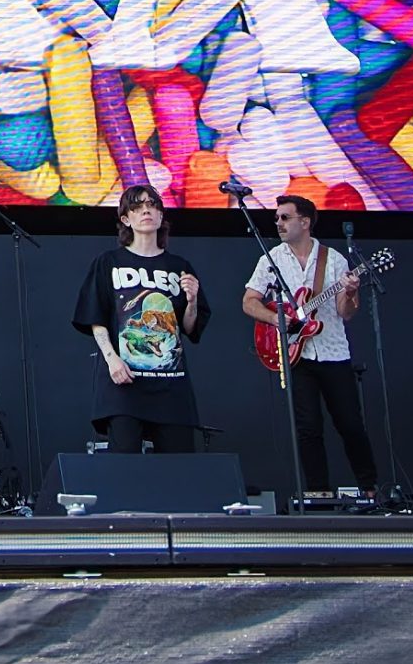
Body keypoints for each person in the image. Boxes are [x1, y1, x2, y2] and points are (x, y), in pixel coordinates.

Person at [241, 192, 379, 502]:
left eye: (285, 217)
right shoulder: (271, 259)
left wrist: (350, 292)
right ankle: (318, 493)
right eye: (276, 218)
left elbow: (346, 313)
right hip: (296, 354)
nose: (278, 222)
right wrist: (276, 319)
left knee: (350, 423)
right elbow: (249, 302)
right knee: (308, 427)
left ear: (305, 222)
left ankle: (369, 487)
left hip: (333, 352)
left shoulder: (333, 259)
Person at [72, 183, 211, 453]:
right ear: (126, 219)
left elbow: (189, 328)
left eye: (152, 205)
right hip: (124, 381)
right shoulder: (108, 262)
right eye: (137, 207)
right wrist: (112, 360)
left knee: (178, 465)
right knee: (125, 464)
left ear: (161, 216)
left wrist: (192, 300)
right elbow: (95, 317)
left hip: (171, 382)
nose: (145, 211)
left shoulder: (178, 266)